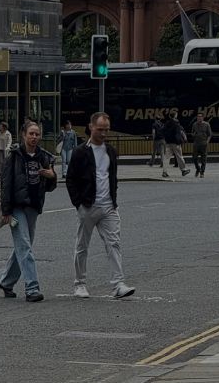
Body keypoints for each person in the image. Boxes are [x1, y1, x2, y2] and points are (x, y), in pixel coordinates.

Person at [65, 113, 133, 299]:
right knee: (82, 246)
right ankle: (79, 284)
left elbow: (112, 177)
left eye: (106, 129)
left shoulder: (111, 151)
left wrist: (113, 199)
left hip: (108, 207)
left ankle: (118, 284)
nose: (103, 133)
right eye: (100, 129)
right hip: (87, 206)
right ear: (91, 127)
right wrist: (78, 204)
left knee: (114, 244)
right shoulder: (80, 151)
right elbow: (70, 179)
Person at [0, 121, 56, 301]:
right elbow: (6, 184)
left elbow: (50, 186)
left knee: (24, 247)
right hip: (16, 207)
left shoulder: (44, 157)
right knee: (24, 245)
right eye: (31, 133)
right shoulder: (14, 156)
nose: (34, 137)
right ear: (23, 135)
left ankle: (6, 282)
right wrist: (6, 210)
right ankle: (32, 288)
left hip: (33, 207)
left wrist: (51, 176)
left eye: (37, 134)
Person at [189, 111, 213, 178]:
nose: (199, 118)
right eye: (198, 117)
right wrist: (193, 134)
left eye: (200, 117)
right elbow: (192, 133)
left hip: (203, 143)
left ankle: (202, 172)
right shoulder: (194, 124)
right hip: (196, 143)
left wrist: (207, 142)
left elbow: (210, 134)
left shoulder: (207, 124)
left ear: (203, 118)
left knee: (203, 159)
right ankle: (198, 169)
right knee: (194, 158)